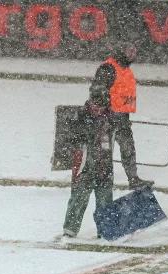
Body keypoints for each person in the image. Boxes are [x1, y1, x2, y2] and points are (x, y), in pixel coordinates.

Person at [61, 42, 152, 239]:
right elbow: (75, 140)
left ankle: (106, 228)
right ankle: (71, 230)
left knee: (104, 191)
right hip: (88, 162)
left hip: (108, 149)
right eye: (128, 50)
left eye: (134, 51)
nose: (132, 54)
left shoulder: (108, 114)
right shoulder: (108, 70)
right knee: (82, 193)